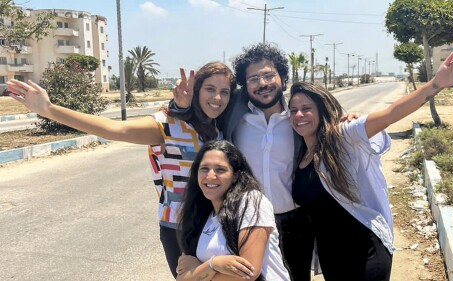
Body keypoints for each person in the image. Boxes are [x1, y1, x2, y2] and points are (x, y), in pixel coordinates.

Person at [6, 61, 236, 278]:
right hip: (179, 226)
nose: (217, 97)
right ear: (196, 91)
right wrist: (50, 109)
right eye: (210, 89)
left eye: (224, 92)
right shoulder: (166, 125)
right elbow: (113, 128)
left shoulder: (217, 129)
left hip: (212, 223)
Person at [287, 50, 453, 281]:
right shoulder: (300, 157)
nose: (299, 115)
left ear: (320, 110)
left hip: (365, 249)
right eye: (293, 110)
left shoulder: (342, 137)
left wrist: (436, 84)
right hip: (331, 256)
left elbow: (390, 114)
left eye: (306, 108)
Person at [170, 43, 312, 281]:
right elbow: (205, 113)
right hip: (245, 219)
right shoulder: (234, 116)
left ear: (282, 77)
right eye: (253, 78)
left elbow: (326, 129)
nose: (262, 83)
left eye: (268, 75)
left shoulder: (298, 119)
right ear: (246, 87)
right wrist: (180, 106)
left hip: (293, 222)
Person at [175, 140, 291, 281]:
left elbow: (248, 273)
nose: (210, 176)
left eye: (220, 170)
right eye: (204, 168)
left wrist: (204, 269)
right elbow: (182, 277)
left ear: (235, 175)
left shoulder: (252, 201)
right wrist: (214, 265)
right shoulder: (199, 215)